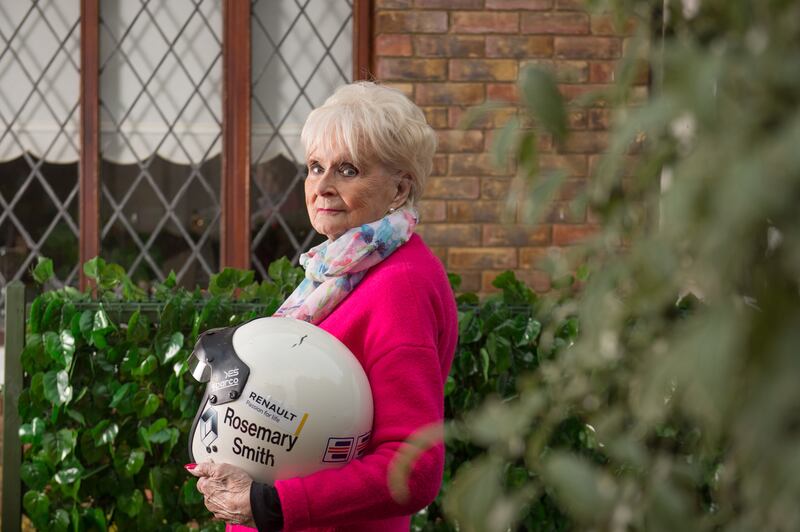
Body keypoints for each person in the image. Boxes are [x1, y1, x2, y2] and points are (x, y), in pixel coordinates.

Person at [187, 81, 458, 531]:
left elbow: (415, 468)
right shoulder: (342, 269)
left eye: (348, 170)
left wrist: (274, 503)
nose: (323, 187)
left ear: (398, 189)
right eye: (315, 167)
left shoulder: (401, 284)